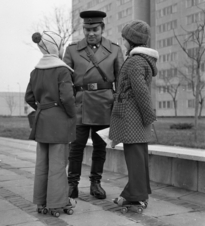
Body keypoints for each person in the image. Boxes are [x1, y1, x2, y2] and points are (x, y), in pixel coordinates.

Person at [63, 10, 124, 199]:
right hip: (80, 105)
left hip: (104, 104)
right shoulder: (72, 50)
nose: (91, 33)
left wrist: (117, 103)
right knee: (76, 146)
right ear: (83, 28)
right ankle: (71, 184)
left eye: (95, 29)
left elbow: (121, 81)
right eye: (87, 29)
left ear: (102, 28)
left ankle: (95, 183)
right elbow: (65, 80)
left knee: (99, 147)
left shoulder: (114, 49)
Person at [25, 31, 77, 213]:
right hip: (59, 122)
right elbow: (68, 98)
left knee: (42, 163)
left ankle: (41, 202)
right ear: (56, 47)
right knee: (57, 164)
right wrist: (71, 115)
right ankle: (57, 203)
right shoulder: (62, 70)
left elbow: (29, 97)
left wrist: (43, 107)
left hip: (42, 120)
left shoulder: (35, 71)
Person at [109, 20, 159, 208]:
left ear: (132, 40)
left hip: (133, 119)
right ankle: (136, 193)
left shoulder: (135, 61)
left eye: (124, 40)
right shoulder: (140, 60)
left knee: (135, 159)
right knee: (138, 158)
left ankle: (137, 195)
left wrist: (148, 118)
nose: (123, 43)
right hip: (135, 118)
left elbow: (141, 92)